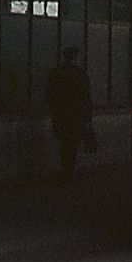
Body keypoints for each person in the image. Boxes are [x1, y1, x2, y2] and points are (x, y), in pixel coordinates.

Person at [47, 47, 92, 183]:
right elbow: (85, 97)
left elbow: (50, 94)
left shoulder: (56, 73)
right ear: (75, 57)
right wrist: (88, 117)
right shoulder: (80, 74)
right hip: (76, 115)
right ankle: (69, 171)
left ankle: (65, 170)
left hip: (61, 114)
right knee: (73, 143)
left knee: (64, 143)